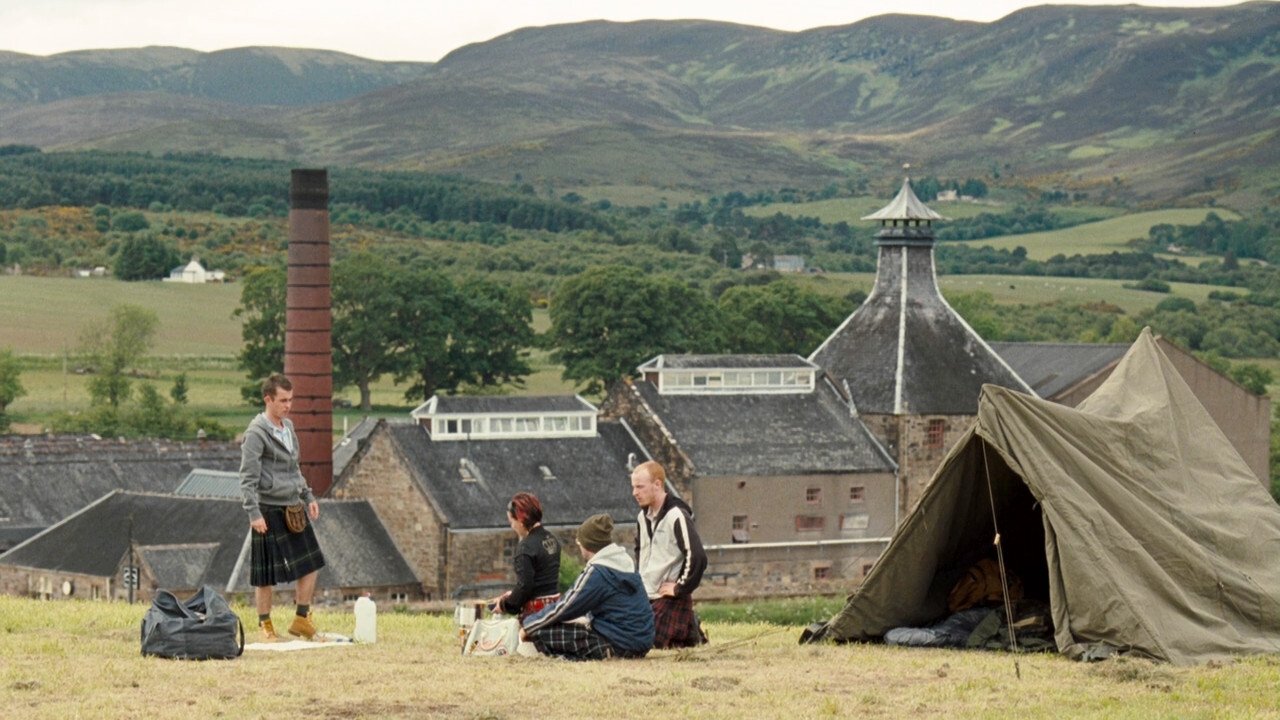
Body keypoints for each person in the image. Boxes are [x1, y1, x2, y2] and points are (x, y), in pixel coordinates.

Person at [239, 373, 326, 641]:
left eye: (291, 400)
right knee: (266, 573)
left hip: (293, 507)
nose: (288, 406)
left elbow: (294, 469)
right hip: (267, 510)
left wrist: (308, 496)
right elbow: (247, 478)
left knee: (311, 564)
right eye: (283, 400)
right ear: (268, 399)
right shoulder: (255, 434)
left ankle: (301, 618)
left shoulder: (288, 428)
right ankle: (265, 625)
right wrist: (253, 513)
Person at [520, 514, 654, 661]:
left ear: (588, 544)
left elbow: (564, 606)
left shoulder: (598, 572)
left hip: (617, 644)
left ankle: (567, 656)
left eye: (579, 543)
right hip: (640, 643)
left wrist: (529, 625)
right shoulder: (625, 564)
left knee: (542, 631)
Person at [631, 460, 707, 649]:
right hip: (645, 595)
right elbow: (640, 551)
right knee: (625, 633)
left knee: (647, 642)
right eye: (633, 487)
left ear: (657, 484)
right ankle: (688, 628)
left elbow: (697, 556)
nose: (635, 493)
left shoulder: (677, 515)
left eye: (640, 487)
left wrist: (680, 588)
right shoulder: (642, 517)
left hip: (669, 597)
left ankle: (689, 627)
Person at [492, 492, 561, 620]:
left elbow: (525, 587)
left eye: (511, 521)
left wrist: (504, 605)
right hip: (555, 610)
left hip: (536, 615)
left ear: (521, 520)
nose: (512, 526)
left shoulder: (526, 547)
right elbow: (541, 582)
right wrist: (513, 594)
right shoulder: (552, 539)